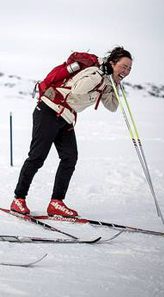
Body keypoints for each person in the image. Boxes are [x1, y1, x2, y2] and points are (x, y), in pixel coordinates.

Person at [10, 47, 133, 217]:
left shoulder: (107, 82)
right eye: (123, 66)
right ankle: (18, 199)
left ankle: (56, 203)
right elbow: (77, 90)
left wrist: (115, 85)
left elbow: (112, 107)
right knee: (37, 157)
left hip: (65, 117)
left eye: (129, 69)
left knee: (69, 158)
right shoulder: (95, 72)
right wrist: (100, 75)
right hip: (49, 109)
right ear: (112, 62)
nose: (126, 71)